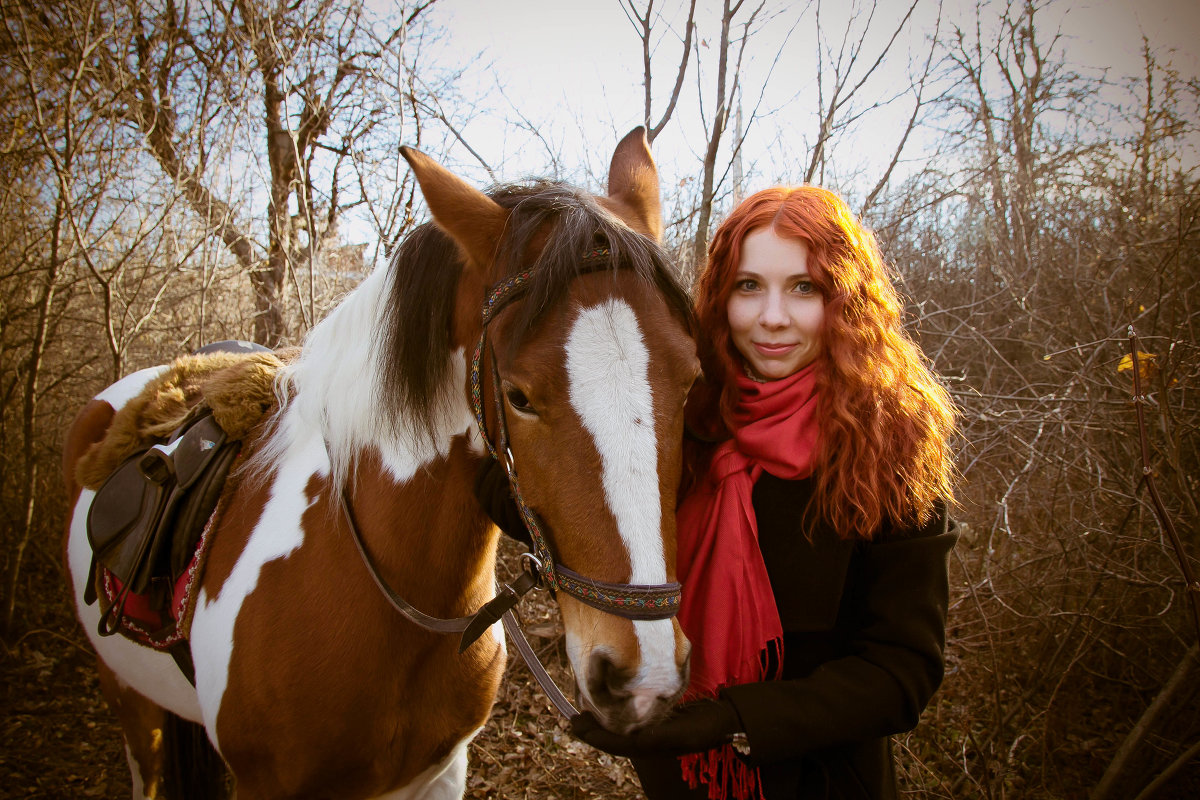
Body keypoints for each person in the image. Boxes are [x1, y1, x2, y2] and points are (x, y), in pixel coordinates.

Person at [478, 185, 957, 800]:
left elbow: (902, 672)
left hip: (821, 785)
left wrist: (730, 723)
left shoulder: (892, 453)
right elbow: (588, 508)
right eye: (749, 286)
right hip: (676, 781)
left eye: (804, 288)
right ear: (720, 296)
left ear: (844, 301)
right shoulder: (687, 420)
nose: (773, 316)